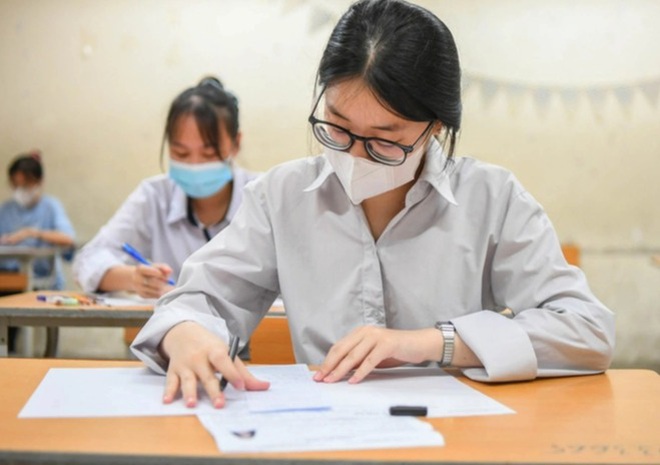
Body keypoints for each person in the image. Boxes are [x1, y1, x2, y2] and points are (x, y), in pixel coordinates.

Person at [131, 0, 615, 409]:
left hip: (455, 434)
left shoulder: (492, 198)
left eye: (386, 140)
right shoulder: (281, 197)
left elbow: (586, 329)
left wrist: (433, 343)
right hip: (323, 429)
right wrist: (186, 333)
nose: (356, 156)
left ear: (437, 126)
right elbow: (197, 299)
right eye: (337, 126)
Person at [74, 76, 257, 300]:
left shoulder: (263, 197)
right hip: (175, 322)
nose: (194, 165)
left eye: (209, 153)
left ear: (236, 144)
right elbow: (88, 259)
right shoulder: (154, 196)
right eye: (181, 153)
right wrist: (134, 279)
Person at [0, 150, 76, 352]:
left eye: (25, 185)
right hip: (9, 281)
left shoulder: (51, 207)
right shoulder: (6, 209)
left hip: (42, 281)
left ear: (39, 182)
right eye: (15, 186)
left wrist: (32, 232)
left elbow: (68, 239)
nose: (20, 191)